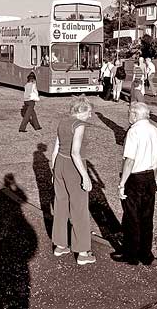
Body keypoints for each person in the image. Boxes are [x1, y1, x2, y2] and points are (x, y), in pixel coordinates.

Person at [113, 102, 157, 266]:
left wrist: (122, 183)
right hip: (150, 177)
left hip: (135, 178)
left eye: (130, 113)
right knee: (147, 216)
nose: (129, 116)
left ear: (135, 115)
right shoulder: (155, 130)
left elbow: (130, 160)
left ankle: (131, 254)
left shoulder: (133, 131)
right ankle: (146, 253)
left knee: (132, 217)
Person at [50, 95, 95, 265]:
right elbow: (75, 153)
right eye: (89, 112)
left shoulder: (63, 122)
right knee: (79, 208)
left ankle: (60, 245)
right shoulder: (79, 125)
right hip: (73, 167)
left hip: (60, 163)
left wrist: (54, 171)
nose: (90, 116)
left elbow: (55, 149)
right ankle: (83, 252)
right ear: (82, 111)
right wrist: (85, 176)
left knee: (61, 205)